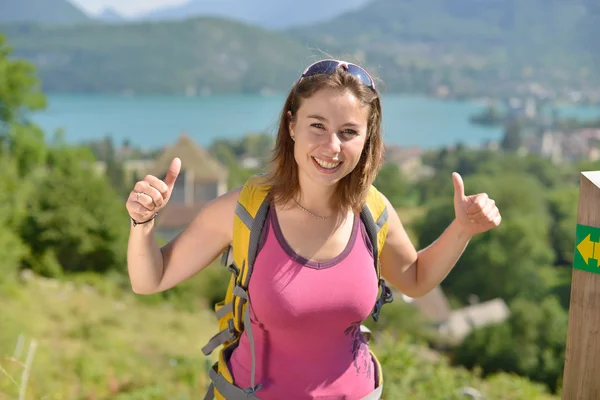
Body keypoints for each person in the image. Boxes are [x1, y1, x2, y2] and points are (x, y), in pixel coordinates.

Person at [125, 59, 501, 399]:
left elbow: (415, 279)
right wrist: (143, 223)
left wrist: (462, 228)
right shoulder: (247, 210)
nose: (331, 146)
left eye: (349, 132)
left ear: (367, 138)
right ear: (291, 125)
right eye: (317, 126)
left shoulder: (372, 210)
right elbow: (149, 280)